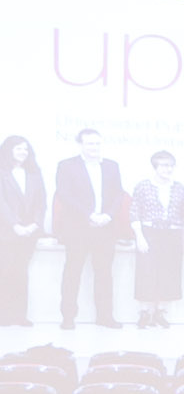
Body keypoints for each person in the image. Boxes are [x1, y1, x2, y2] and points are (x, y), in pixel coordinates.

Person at [53, 127, 125, 329]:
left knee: (104, 273)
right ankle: (68, 317)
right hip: (78, 228)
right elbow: (64, 195)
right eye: (90, 143)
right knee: (72, 272)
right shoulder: (66, 166)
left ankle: (105, 316)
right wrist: (89, 215)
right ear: (80, 145)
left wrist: (108, 216)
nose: (94, 147)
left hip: (105, 228)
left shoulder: (112, 166)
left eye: (97, 143)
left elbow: (118, 194)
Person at [129, 150, 184, 328]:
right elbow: (134, 211)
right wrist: (139, 236)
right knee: (146, 272)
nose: (168, 169)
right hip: (149, 233)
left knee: (168, 273)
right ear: (155, 167)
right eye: (163, 165)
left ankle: (160, 313)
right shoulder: (143, 186)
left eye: (171, 165)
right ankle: (144, 313)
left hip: (172, 234)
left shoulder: (178, 187)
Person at [0, 136, 43, 329]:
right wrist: (15, 225)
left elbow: (41, 201)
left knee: (21, 273)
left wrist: (35, 224)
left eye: (25, 149)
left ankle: (20, 316)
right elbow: (2, 203)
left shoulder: (34, 173)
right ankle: (4, 316)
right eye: (18, 148)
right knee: (5, 273)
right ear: (8, 150)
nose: (23, 152)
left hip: (28, 233)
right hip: (6, 232)